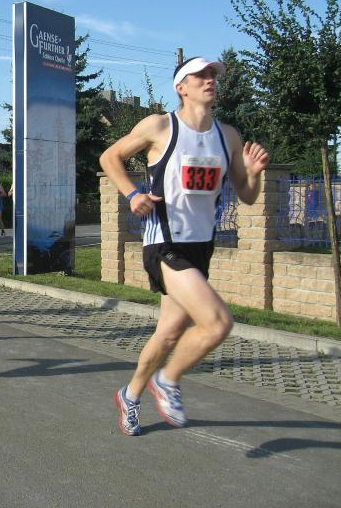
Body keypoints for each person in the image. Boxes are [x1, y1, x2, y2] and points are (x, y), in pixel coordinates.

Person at [99, 56, 269, 436]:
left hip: (200, 247)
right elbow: (109, 157)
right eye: (200, 75)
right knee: (218, 322)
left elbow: (246, 195)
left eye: (213, 75)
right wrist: (132, 194)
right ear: (181, 87)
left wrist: (254, 175)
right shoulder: (161, 126)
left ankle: (130, 395)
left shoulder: (228, 136)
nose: (210, 80)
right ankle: (168, 380)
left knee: (169, 334)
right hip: (164, 244)